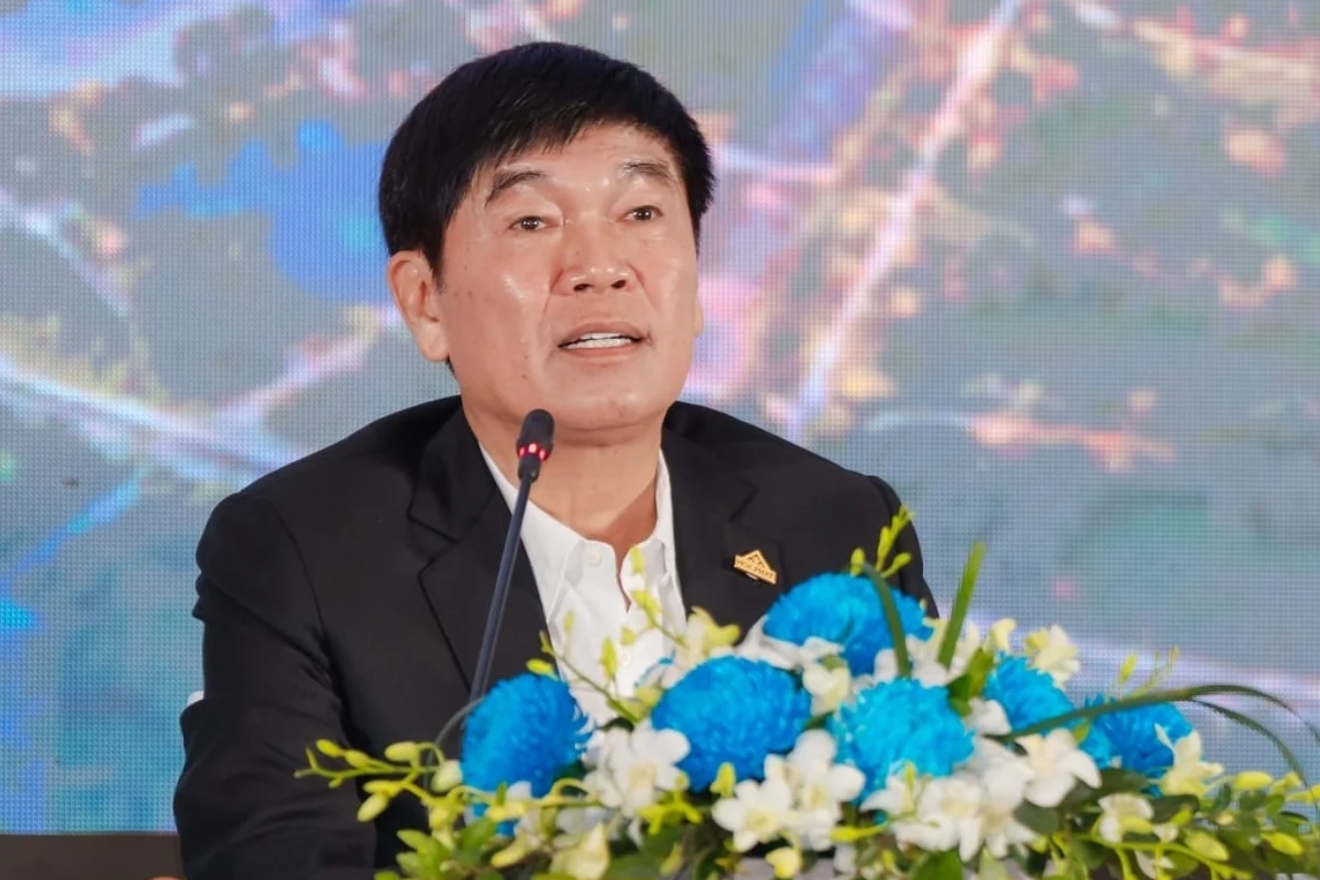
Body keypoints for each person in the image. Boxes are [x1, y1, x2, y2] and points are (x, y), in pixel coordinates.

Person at [173, 41, 935, 879]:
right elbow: (277, 857)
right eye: (531, 223)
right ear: (425, 302)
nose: (599, 267)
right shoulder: (304, 551)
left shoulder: (837, 523)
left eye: (640, 213)